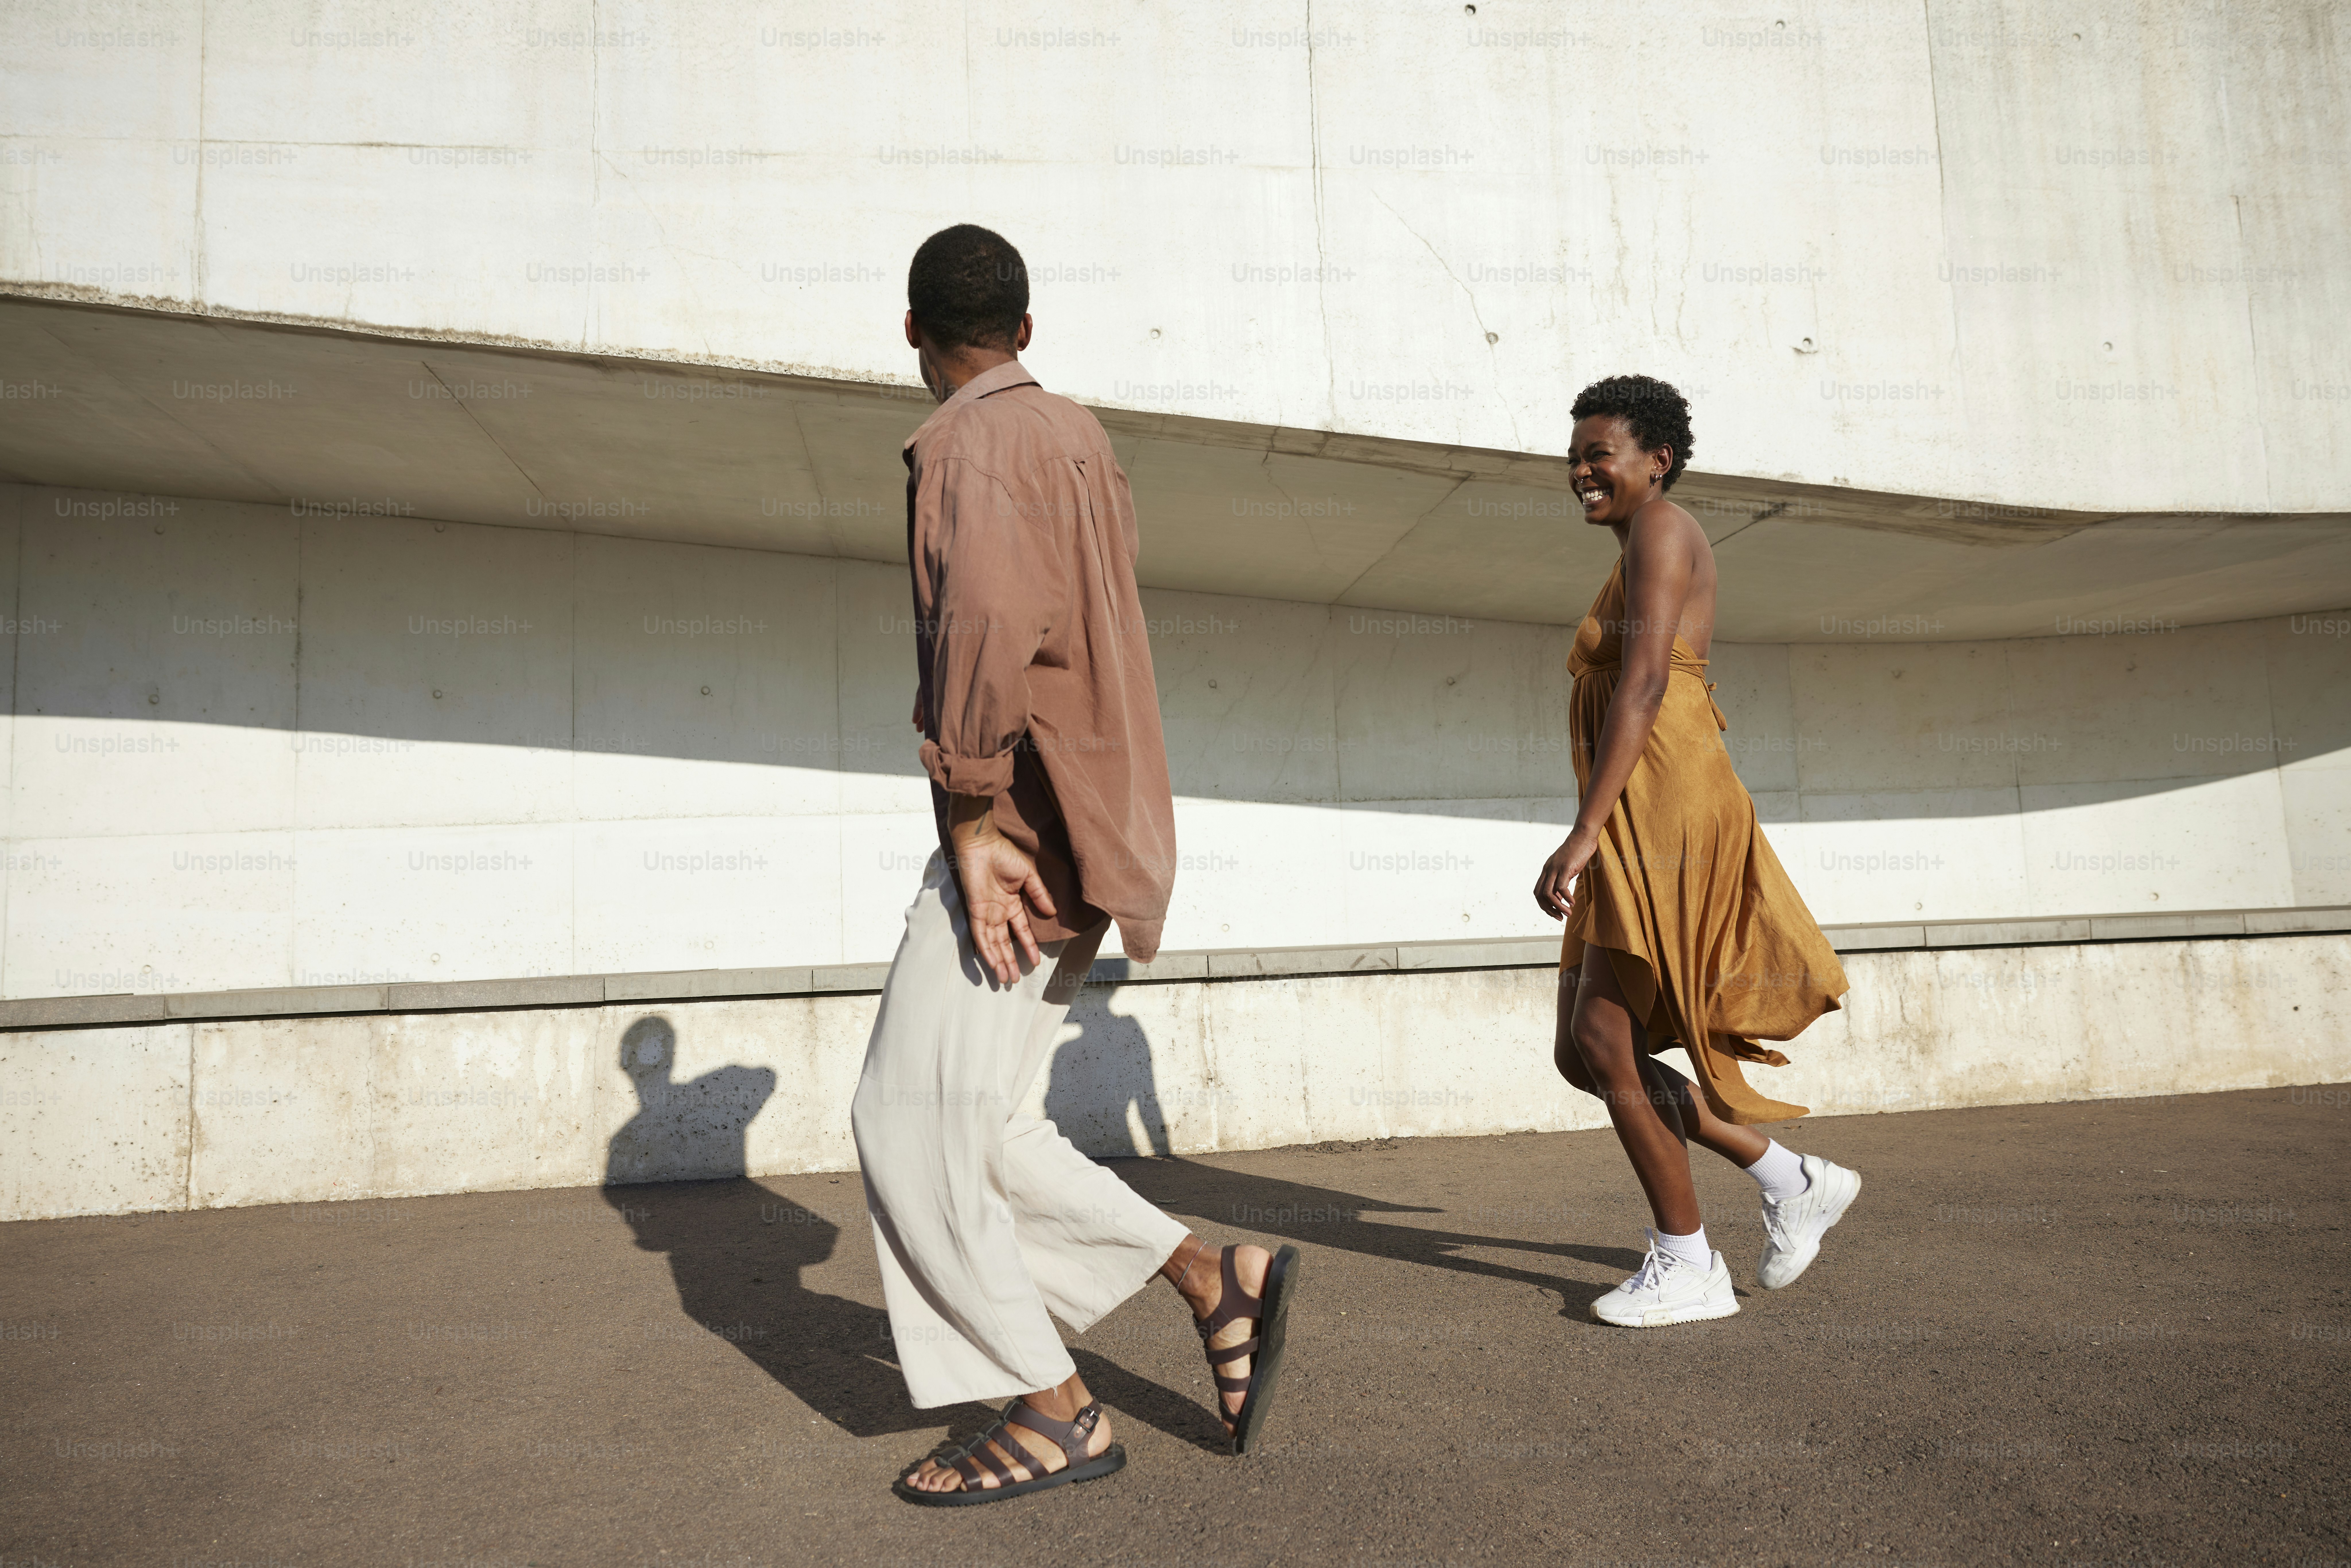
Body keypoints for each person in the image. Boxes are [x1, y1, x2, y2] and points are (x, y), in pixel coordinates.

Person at [852, 224, 1300, 1504]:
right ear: (1026, 330)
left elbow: (990, 625)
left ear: (911, 330)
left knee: (904, 1116)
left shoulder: (968, 444)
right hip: (1089, 818)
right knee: (988, 1120)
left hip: (1020, 837)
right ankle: (1213, 1280)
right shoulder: (1077, 435)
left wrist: (970, 817)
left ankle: (1055, 1413)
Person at [1532, 374, 1860, 1328]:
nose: (1582, 472)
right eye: (1575, 458)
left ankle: (1687, 1262)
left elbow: (1642, 685)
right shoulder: (1641, 539)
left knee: (1606, 1039)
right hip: (1640, 798)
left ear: (1658, 460)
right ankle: (1790, 1178)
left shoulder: (1663, 529)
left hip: (1668, 802)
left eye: (1599, 455)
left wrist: (1585, 831)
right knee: (1584, 1051)